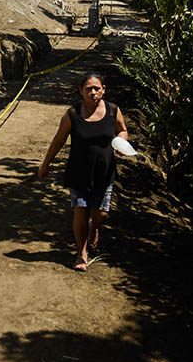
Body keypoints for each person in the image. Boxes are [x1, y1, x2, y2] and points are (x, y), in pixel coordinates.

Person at [38, 71, 128, 271]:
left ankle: (94, 228)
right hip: (78, 172)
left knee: (101, 215)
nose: (93, 92)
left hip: (104, 173)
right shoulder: (72, 114)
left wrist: (122, 142)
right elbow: (58, 139)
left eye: (97, 88)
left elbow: (122, 130)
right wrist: (46, 163)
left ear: (103, 90)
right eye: (89, 89)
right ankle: (82, 253)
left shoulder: (113, 111)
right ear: (81, 91)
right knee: (80, 212)